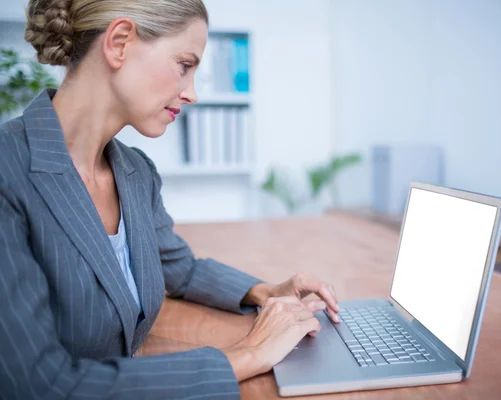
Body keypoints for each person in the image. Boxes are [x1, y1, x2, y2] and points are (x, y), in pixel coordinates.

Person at [0, 0, 341, 398]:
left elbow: (179, 269)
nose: (192, 93)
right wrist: (249, 353)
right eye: (185, 65)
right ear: (120, 43)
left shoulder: (135, 171)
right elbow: (39, 384)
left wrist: (266, 291)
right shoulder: (9, 172)